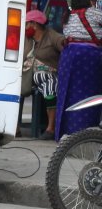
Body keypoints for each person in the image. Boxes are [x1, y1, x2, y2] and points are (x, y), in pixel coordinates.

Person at [56, 0, 102, 138]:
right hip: (89, 57)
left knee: (67, 94)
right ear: (91, 0)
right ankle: (85, 134)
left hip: (68, 57)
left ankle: (66, 133)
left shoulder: (67, 15)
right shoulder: (95, 13)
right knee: (89, 95)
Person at [23, 10, 64, 140]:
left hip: (49, 74)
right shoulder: (26, 39)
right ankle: (14, 128)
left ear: (34, 24)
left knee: (48, 83)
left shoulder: (52, 36)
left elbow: (63, 43)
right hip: (27, 75)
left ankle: (50, 128)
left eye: (27, 24)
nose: (25, 27)